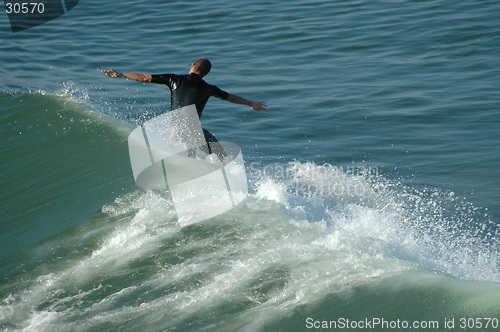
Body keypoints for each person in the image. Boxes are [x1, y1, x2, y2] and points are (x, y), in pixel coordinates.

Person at [102, 58, 267, 159]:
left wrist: (120, 74)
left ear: (193, 65)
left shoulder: (175, 79)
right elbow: (231, 97)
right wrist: (251, 103)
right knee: (217, 151)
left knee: (195, 149)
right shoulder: (209, 88)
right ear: (205, 74)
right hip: (192, 129)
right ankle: (223, 171)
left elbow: (144, 77)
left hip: (177, 128)